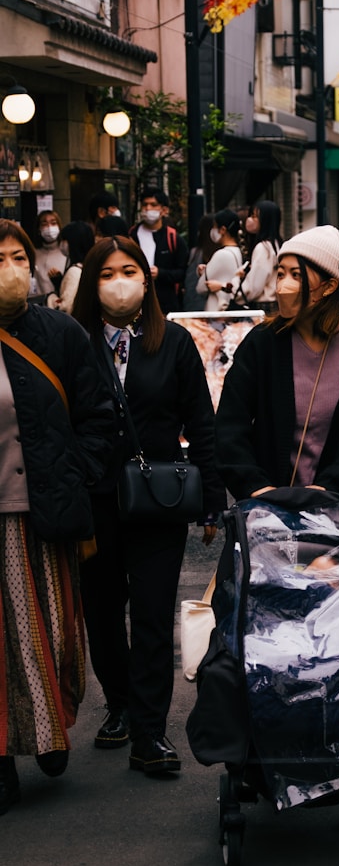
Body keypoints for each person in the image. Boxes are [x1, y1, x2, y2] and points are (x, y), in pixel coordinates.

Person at [72, 237, 225, 775]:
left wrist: (211, 500)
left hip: (159, 497)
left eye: (129, 270)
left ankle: (149, 732)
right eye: (106, 273)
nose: (119, 282)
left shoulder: (175, 341)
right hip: (93, 499)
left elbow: (201, 420)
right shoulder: (73, 341)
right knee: (102, 612)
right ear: (91, 284)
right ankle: (119, 704)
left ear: (146, 278)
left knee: (153, 614)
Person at [0, 220, 116, 815]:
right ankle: (2, 757)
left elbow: (98, 414)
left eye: (19, 257)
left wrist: (77, 474)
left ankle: (48, 728)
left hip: (44, 511)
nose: (11, 269)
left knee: (49, 630)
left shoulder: (61, 333)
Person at [215, 225, 339, 508]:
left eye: (297, 275)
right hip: (266, 508)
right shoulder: (262, 342)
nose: (284, 285)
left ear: (329, 286)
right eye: (280, 273)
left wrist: (330, 489)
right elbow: (231, 422)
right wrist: (255, 486)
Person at [129, 188, 189, 315]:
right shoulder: (131, 236)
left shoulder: (173, 238)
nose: (148, 208)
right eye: (145, 205)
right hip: (136, 302)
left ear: (164, 210)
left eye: (153, 205)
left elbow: (183, 272)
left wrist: (160, 273)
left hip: (165, 305)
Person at [233, 198, 282, 313]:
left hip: (263, 307)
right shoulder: (276, 244)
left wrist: (236, 292)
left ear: (265, 220)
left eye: (254, 216)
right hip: (275, 305)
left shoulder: (263, 248)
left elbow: (254, 287)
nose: (249, 220)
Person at [195, 209, 243, 312]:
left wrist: (204, 275)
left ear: (223, 230)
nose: (213, 231)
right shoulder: (238, 251)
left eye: (215, 227)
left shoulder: (221, 254)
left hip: (216, 310)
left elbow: (200, 287)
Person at [54, 220, 95, 314]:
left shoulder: (74, 272)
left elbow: (66, 308)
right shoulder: (90, 266)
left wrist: (51, 298)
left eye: (64, 240)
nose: (62, 244)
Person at [31, 208, 67, 300]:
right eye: (44, 224)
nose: (49, 227)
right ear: (38, 229)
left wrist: (59, 281)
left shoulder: (65, 254)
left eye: (53, 223)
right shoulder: (33, 254)